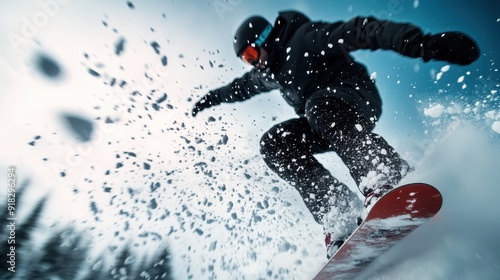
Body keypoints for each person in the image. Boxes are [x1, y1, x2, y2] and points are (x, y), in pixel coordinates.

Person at [191, 10, 479, 257]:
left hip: (355, 98)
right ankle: (338, 213)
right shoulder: (268, 73)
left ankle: (383, 175)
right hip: (325, 121)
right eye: (246, 60)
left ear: (265, 38)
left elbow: (363, 30)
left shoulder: (303, 38)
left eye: (252, 54)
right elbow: (240, 88)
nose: (253, 63)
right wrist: (210, 99)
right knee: (274, 143)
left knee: (318, 106)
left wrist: (422, 45)